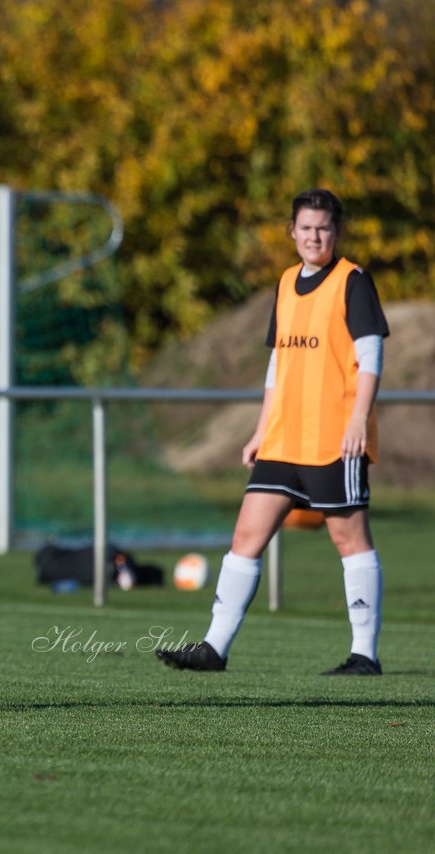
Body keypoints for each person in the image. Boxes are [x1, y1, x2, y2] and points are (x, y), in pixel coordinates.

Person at [158, 188, 389, 676]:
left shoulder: (353, 281)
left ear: (336, 232)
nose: (313, 236)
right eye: (305, 227)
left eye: (323, 228)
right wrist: (260, 429)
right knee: (246, 534)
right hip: (284, 437)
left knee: (350, 540)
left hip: (334, 438)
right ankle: (213, 648)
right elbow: (277, 362)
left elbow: (370, 357)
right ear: (292, 231)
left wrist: (357, 421)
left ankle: (364, 654)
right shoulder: (286, 282)